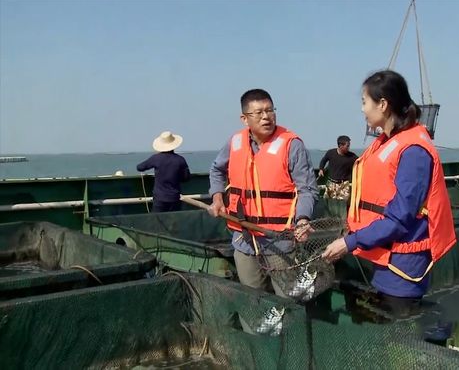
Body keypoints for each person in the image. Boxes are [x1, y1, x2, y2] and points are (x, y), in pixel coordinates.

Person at [322, 70, 456, 318]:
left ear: (383, 104)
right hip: (382, 255)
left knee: (398, 340)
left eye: (364, 102)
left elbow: (399, 218)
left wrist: (348, 242)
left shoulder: (413, 151)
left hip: (402, 267)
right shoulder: (386, 141)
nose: (362, 110)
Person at [208, 89, 318, 296]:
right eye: (258, 113)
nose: (266, 116)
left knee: (289, 298)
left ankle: (291, 329)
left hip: (279, 239)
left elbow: (308, 189)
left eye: (270, 110)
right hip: (243, 238)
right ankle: (254, 329)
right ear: (244, 119)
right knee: (253, 299)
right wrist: (217, 197)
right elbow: (216, 169)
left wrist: (303, 219)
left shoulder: (291, 144)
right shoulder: (235, 142)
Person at [136, 131, 190, 212]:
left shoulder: (156, 158)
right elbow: (186, 177)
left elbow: (140, 167)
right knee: (174, 221)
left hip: (159, 198)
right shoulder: (180, 160)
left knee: (157, 221)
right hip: (174, 197)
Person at [318, 135, 358, 201]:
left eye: (349, 146)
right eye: (347, 146)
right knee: (327, 204)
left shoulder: (352, 156)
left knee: (343, 205)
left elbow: (360, 162)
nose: (349, 148)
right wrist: (321, 169)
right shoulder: (331, 153)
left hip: (344, 185)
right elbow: (323, 160)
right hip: (331, 184)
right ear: (340, 146)